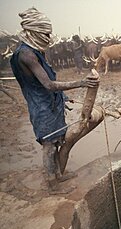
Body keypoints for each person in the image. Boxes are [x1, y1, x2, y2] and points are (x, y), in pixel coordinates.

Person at [10, 7, 99, 194]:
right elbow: (48, 84)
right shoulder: (26, 54)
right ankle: (52, 185)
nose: (49, 38)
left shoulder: (36, 50)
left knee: (57, 138)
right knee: (49, 146)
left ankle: (58, 175)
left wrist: (63, 97)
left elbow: (48, 79)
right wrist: (81, 82)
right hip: (41, 105)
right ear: (35, 32)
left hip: (51, 102)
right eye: (46, 33)